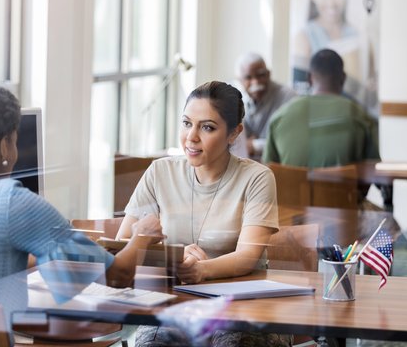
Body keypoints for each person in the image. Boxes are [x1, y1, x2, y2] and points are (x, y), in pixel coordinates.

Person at [0, 87, 162, 323]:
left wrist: (45, 253)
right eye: (15, 140)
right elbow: (117, 276)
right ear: (5, 145)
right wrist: (141, 237)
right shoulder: (12, 201)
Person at [116, 81, 291, 346]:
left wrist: (201, 270)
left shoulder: (257, 177)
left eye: (207, 127)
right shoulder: (159, 172)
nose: (191, 137)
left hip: (241, 310)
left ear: (234, 133)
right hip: (175, 308)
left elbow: (247, 257)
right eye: (187, 123)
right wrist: (176, 254)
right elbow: (123, 244)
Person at [263, 49, 379, 168]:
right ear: (343, 78)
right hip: (342, 187)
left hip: (291, 186)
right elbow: (374, 170)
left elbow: (268, 170)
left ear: (309, 78)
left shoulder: (279, 117)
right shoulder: (360, 116)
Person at [292, 0, 377, 116]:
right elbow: (300, 89)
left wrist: (372, 86)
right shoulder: (304, 37)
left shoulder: (358, 37)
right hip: (320, 117)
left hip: (355, 116)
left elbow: (372, 84)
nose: (331, 2)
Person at [231, 53, 295, 160]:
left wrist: (254, 145)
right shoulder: (233, 97)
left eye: (260, 75)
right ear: (240, 81)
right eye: (248, 77)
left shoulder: (288, 97)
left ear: (268, 74)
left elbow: (290, 142)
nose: (255, 82)